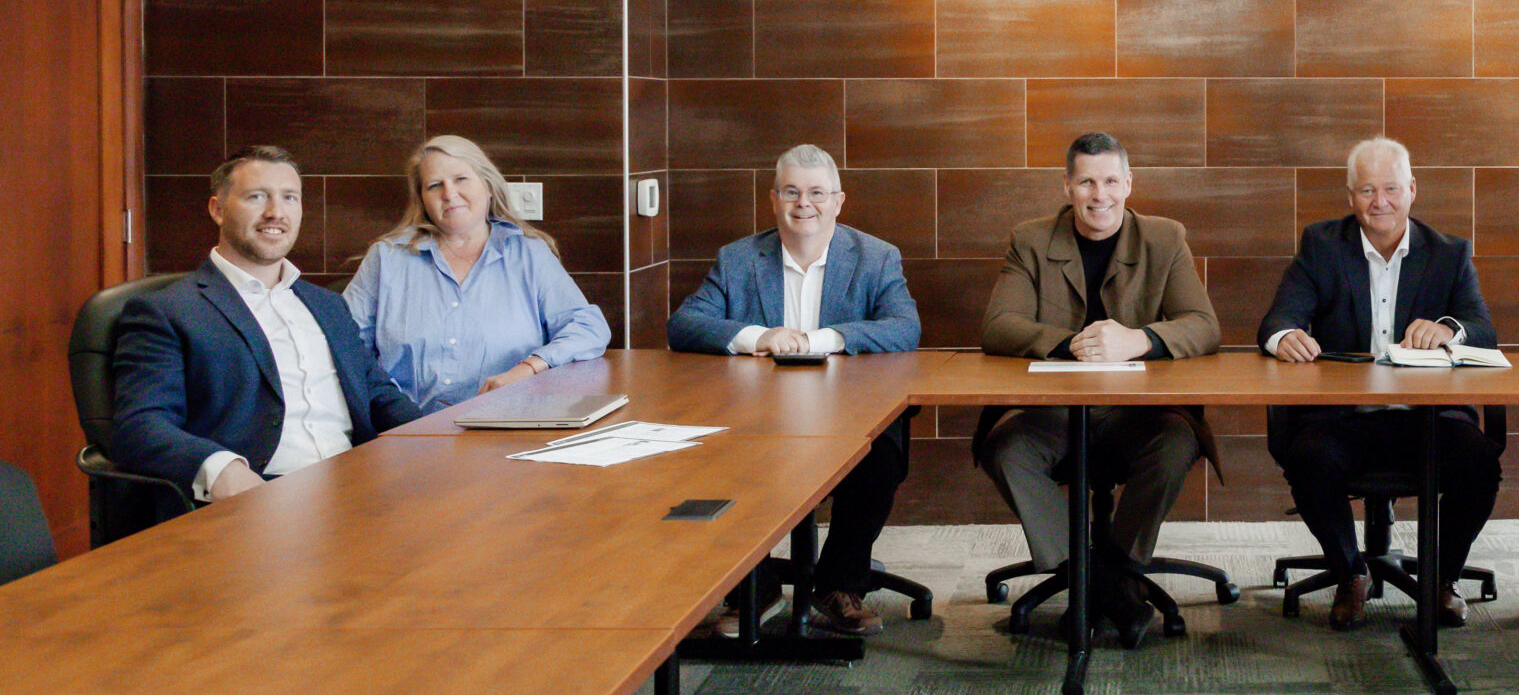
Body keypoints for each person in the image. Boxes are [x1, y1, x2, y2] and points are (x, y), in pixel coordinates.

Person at [668, 144, 922, 635]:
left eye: (816, 193)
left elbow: (905, 327)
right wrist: (757, 337)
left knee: (884, 455)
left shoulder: (875, 257)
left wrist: (821, 341)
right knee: (719, 457)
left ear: (838, 201)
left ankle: (840, 583)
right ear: (773, 199)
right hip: (754, 413)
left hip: (851, 410)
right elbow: (683, 325)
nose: (803, 203)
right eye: (791, 192)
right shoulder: (739, 259)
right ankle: (755, 588)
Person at [978, 131, 1220, 641]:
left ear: (1129, 184)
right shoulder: (1031, 239)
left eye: (1111, 180)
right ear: (1067, 186)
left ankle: (1107, 570)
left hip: (1141, 412)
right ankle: (1104, 584)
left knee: (1177, 444)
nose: (1099, 194)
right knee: (1006, 449)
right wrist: (1072, 344)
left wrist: (1140, 340)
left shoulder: (1164, 237)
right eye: (1086, 181)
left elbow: (1203, 324)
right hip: (1055, 411)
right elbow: (998, 325)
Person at [1258, 138, 1499, 630]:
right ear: (1351, 196)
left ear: (1412, 190)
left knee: (1477, 462)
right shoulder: (1323, 246)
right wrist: (1285, 337)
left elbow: (1483, 326)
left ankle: (1443, 578)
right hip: (1343, 417)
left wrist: (1450, 327)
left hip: (1426, 416)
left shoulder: (1449, 253)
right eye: (1367, 190)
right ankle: (1350, 573)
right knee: (1309, 458)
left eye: (1391, 188)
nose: (1380, 201)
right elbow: (1279, 318)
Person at [109, 146, 423, 515]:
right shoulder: (168, 310)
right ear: (217, 209)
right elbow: (140, 426)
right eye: (257, 197)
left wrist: (442, 441)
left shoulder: (328, 306)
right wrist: (223, 469)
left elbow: (379, 397)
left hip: (361, 492)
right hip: (258, 501)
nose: (276, 212)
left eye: (289, 197)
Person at [344, 135, 609, 413]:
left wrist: (530, 367)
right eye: (435, 185)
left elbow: (589, 327)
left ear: (489, 186)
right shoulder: (386, 258)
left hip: (508, 423)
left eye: (461, 179)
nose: (449, 193)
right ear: (422, 200)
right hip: (404, 429)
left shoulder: (529, 254)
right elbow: (344, 343)